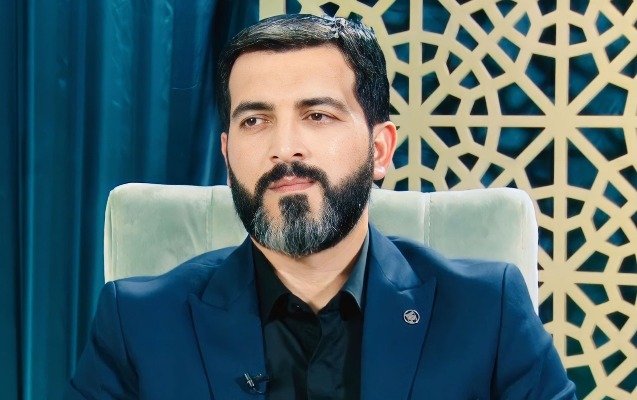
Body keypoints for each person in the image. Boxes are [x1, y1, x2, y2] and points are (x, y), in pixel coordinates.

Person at [68, 14, 576, 399]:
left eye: (317, 115)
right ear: (227, 155)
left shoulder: (487, 313)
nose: (284, 148)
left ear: (379, 150)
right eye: (254, 121)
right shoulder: (137, 324)